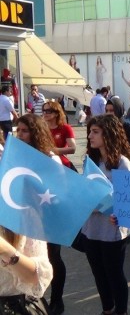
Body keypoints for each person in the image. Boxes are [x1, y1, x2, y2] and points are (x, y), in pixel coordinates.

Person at [83, 114, 130, 315]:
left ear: (109, 134)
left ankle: (121, 311)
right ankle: (107, 309)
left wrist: (93, 204)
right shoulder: (90, 161)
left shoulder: (122, 163)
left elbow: (126, 199)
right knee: (98, 274)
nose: (89, 136)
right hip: (91, 229)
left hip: (112, 230)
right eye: (89, 132)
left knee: (114, 275)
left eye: (95, 132)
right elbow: (84, 191)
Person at [13, 115, 60, 314]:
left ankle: (55, 299)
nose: (20, 135)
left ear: (36, 133)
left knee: (51, 260)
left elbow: (59, 190)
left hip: (46, 218)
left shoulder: (50, 158)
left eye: (25, 131)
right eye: (19, 130)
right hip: (21, 218)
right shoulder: (14, 155)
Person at [42, 101, 77, 171]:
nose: (45, 113)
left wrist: (52, 151)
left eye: (48, 111)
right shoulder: (41, 128)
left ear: (56, 113)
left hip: (62, 164)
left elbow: (73, 148)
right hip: (45, 164)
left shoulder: (65, 128)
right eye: (44, 111)